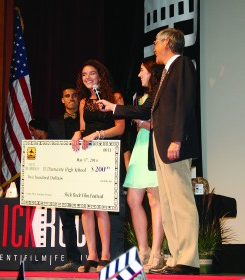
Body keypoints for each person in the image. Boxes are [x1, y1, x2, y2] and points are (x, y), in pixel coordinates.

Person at [97, 28, 200, 275]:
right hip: (161, 147)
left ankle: (188, 259)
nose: (154, 46)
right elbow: (147, 110)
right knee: (169, 202)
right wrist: (114, 108)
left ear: (167, 42)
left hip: (174, 145)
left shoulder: (182, 64)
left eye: (156, 42)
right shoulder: (165, 73)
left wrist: (177, 140)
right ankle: (176, 257)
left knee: (181, 202)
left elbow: (185, 104)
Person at [71, 59, 125, 272]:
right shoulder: (84, 102)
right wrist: (78, 132)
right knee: (86, 207)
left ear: (100, 76)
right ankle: (91, 255)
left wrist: (98, 135)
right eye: (84, 75)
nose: (88, 78)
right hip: (88, 155)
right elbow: (83, 128)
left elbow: (120, 129)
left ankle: (105, 255)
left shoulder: (115, 98)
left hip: (107, 154)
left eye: (92, 73)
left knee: (101, 206)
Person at [124, 59, 165, 273]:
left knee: (154, 199)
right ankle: (143, 249)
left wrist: (145, 123)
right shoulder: (141, 97)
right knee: (133, 199)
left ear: (152, 73)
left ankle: (157, 251)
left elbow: (164, 124)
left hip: (153, 146)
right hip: (141, 147)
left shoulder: (159, 94)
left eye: (142, 71)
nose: (139, 75)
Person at [47, 84, 82, 271]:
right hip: (64, 178)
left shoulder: (87, 122)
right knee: (67, 221)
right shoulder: (53, 124)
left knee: (92, 217)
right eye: (67, 96)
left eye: (74, 95)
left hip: (86, 176)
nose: (71, 98)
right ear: (62, 100)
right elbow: (51, 152)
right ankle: (73, 259)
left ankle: (98, 259)